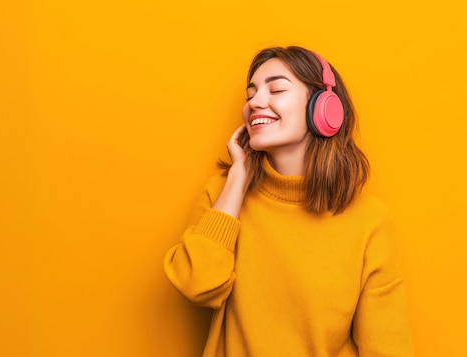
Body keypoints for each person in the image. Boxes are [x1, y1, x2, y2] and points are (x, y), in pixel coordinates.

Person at [163, 46, 414, 356]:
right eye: (250, 94)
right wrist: (239, 178)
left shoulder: (368, 219)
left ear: (325, 109)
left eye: (277, 88)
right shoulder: (223, 195)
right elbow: (195, 285)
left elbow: (388, 347)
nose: (255, 102)